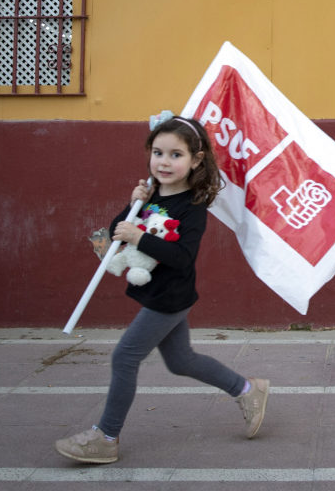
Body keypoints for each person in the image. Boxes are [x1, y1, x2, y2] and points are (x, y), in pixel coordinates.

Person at [55, 115, 269, 464]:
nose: (164, 162)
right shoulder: (152, 196)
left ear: (196, 160)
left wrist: (140, 237)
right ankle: (247, 389)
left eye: (175, 155)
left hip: (169, 299)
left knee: (125, 357)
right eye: (158, 153)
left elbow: (182, 258)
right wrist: (133, 204)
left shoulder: (193, 208)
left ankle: (106, 437)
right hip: (157, 294)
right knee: (181, 361)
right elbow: (118, 232)